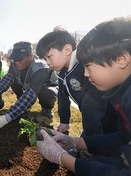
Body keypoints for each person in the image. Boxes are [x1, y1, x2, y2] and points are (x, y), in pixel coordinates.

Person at [36, 15, 131, 175]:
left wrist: (62, 158)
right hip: (114, 139)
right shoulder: (121, 95)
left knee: (99, 160)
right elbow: (123, 137)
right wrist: (75, 142)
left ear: (122, 60)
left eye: (88, 66)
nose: (85, 74)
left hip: (104, 126)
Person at [35, 26, 118, 136]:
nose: (48, 62)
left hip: (109, 114)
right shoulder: (61, 72)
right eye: (45, 59)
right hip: (91, 116)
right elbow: (62, 97)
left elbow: (92, 105)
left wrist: (89, 137)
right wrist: (64, 121)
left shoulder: (84, 66)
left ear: (67, 50)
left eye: (50, 57)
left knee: (105, 141)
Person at [0, 41, 58, 133]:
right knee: (13, 81)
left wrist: (7, 117)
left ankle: (47, 110)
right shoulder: (15, 64)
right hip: (28, 84)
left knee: (47, 93)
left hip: (45, 87)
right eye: (15, 59)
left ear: (30, 56)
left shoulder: (41, 68)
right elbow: (7, 79)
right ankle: (23, 106)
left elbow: (30, 95)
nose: (16, 62)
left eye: (20, 59)